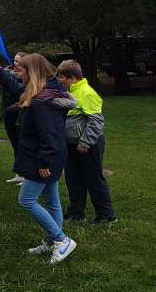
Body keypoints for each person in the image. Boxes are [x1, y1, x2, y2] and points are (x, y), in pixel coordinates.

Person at [0, 54, 79, 264]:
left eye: (21, 70)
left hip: (44, 157)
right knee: (52, 199)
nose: (17, 73)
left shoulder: (42, 102)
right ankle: (51, 242)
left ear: (33, 72)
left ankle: (61, 240)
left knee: (26, 200)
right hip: (49, 156)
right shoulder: (44, 91)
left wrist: (45, 163)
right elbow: (19, 89)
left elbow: (51, 135)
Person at [56, 60, 116, 224]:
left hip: (88, 145)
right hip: (71, 144)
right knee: (73, 178)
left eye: (62, 77)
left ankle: (106, 215)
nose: (59, 80)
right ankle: (76, 212)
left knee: (93, 178)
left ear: (72, 77)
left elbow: (96, 121)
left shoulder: (87, 92)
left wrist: (85, 142)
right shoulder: (69, 91)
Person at [1, 53, 26, 184]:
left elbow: (19, 91)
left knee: (22, 145)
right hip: (8, 114)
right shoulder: (8, 73)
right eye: (14, 60)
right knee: (15, 144)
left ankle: (26, 175)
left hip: (20, 115)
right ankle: (19, 173)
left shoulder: (25, 78)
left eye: (18, 61)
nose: (15, 63)